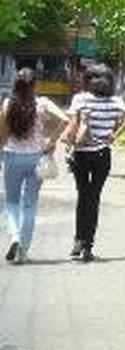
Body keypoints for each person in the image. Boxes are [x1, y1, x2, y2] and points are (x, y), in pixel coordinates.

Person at [62, 63, 125, 262]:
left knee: (82, 196)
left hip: (81, 154)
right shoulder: (115, 101)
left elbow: (71, 123)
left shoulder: (80, 99)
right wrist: (115, 135)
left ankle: (78, 239)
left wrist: (67, 143)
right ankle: (88, 246)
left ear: (88, 80)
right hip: (103, 155)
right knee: (94, 198)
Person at [1, 69, 68, 264]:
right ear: (35, 85)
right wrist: (51, 141)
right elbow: (65, 120)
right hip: (37, 158)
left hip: (12, 157)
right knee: (29, 205)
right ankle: (23, 250)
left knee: (12, 202)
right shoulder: (43, 103)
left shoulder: (8, 103)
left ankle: (14, 236)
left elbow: (2, 133)